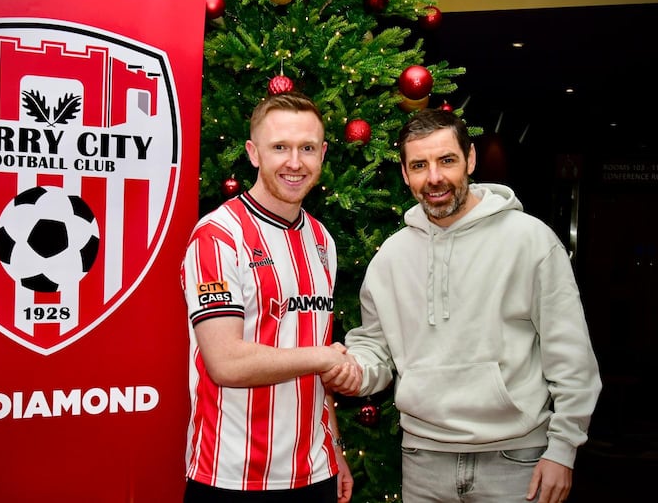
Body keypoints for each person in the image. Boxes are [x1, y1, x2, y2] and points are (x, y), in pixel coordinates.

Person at [324, 108, 601, 503]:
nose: (434, 177)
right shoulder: (391, 258)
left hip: (516, 459)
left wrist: (563, 449)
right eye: (419, 165)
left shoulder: (531, 241)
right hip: (422, 459)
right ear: (405, 174)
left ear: (470, 159)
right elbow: (376, 349)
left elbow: (571, 355)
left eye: (446, 160)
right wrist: (353, 371)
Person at [181, 92, 360, 503]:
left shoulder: (321, 240)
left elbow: (318, 360)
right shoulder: (218, 237)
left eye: (307, 148)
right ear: (253, 153)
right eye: (280, 147)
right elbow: (225, 362)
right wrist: (324, 357)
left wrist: (334, 449)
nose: (294, 163)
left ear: (323, 153)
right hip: (231, 476)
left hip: (314, 471)